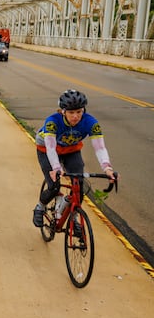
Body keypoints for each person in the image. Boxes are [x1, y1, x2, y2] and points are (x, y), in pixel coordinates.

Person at [32, 89, 116, 227]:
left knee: (79, 186)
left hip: (71, 150)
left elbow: (100, 147)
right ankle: (40, 207)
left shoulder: (91, 122)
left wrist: (107, 168)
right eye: (71, 112)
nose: (76, 116)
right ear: (63, 111)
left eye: (79, 111)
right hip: (46, 150)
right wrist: (57, 168)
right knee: (54, 186)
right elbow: (51, 148)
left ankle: (73, 217)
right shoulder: (52, 122)